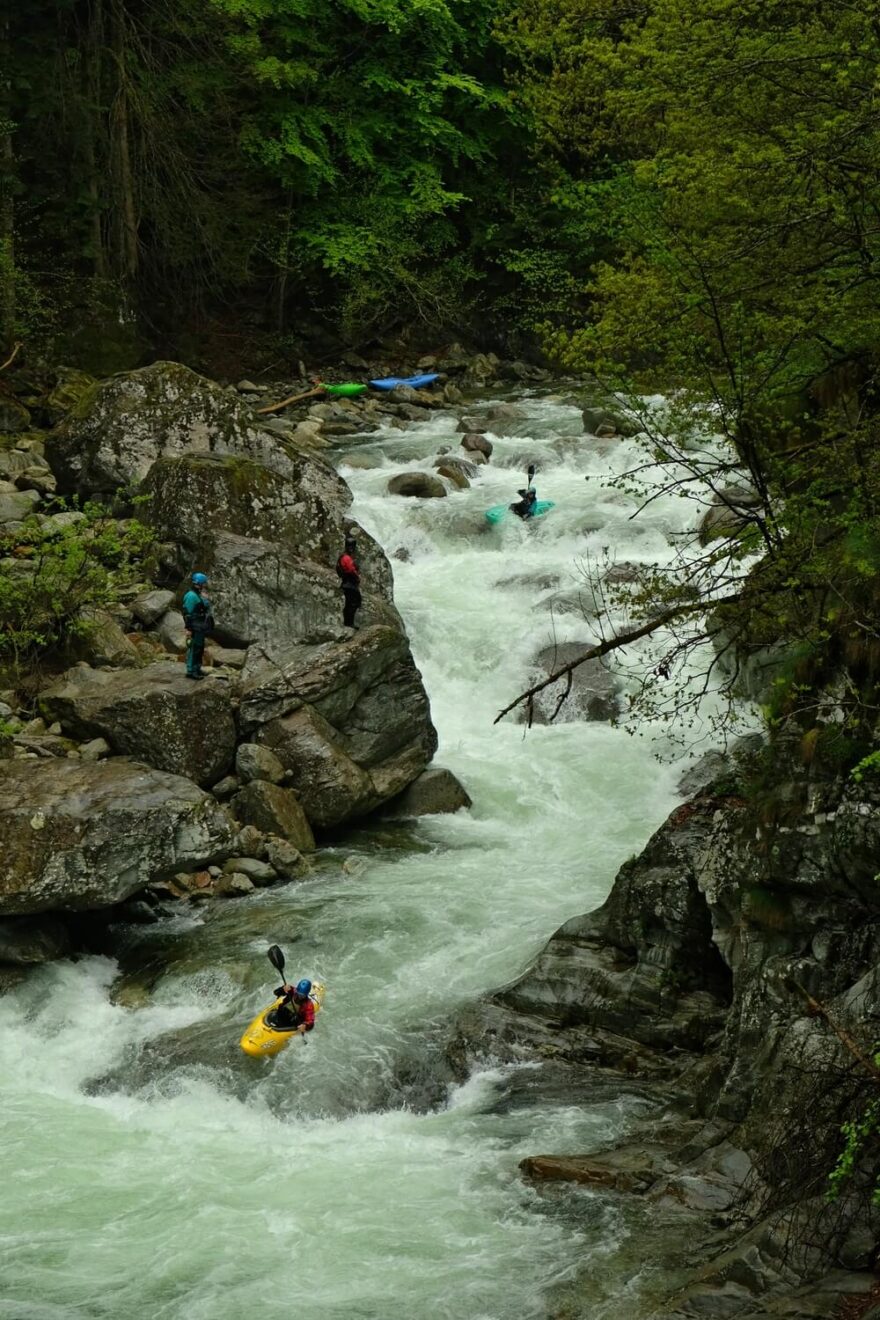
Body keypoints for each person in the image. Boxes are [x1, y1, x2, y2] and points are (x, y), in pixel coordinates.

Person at [181, 571, 215, 680]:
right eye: (204, 583)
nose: (205, 585)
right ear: (199, 583)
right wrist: (189, 629)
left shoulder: (197, 594)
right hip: (194, 626)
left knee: (199, 648)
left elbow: (204, 607)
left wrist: (205, 599)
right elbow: (187, 614)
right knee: (194, 648)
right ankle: (191, 671)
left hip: (199, 626)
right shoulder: (191, 596)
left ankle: (197, 668)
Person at [335, 535, 362, 629]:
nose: (352, 549)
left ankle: (349, 623)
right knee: (353, 603)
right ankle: (349, 623)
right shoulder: (346, 558)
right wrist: (357, 577)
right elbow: (351, 570)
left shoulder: (343, 557)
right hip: (349, 584)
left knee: (351, 603)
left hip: (347, 583)